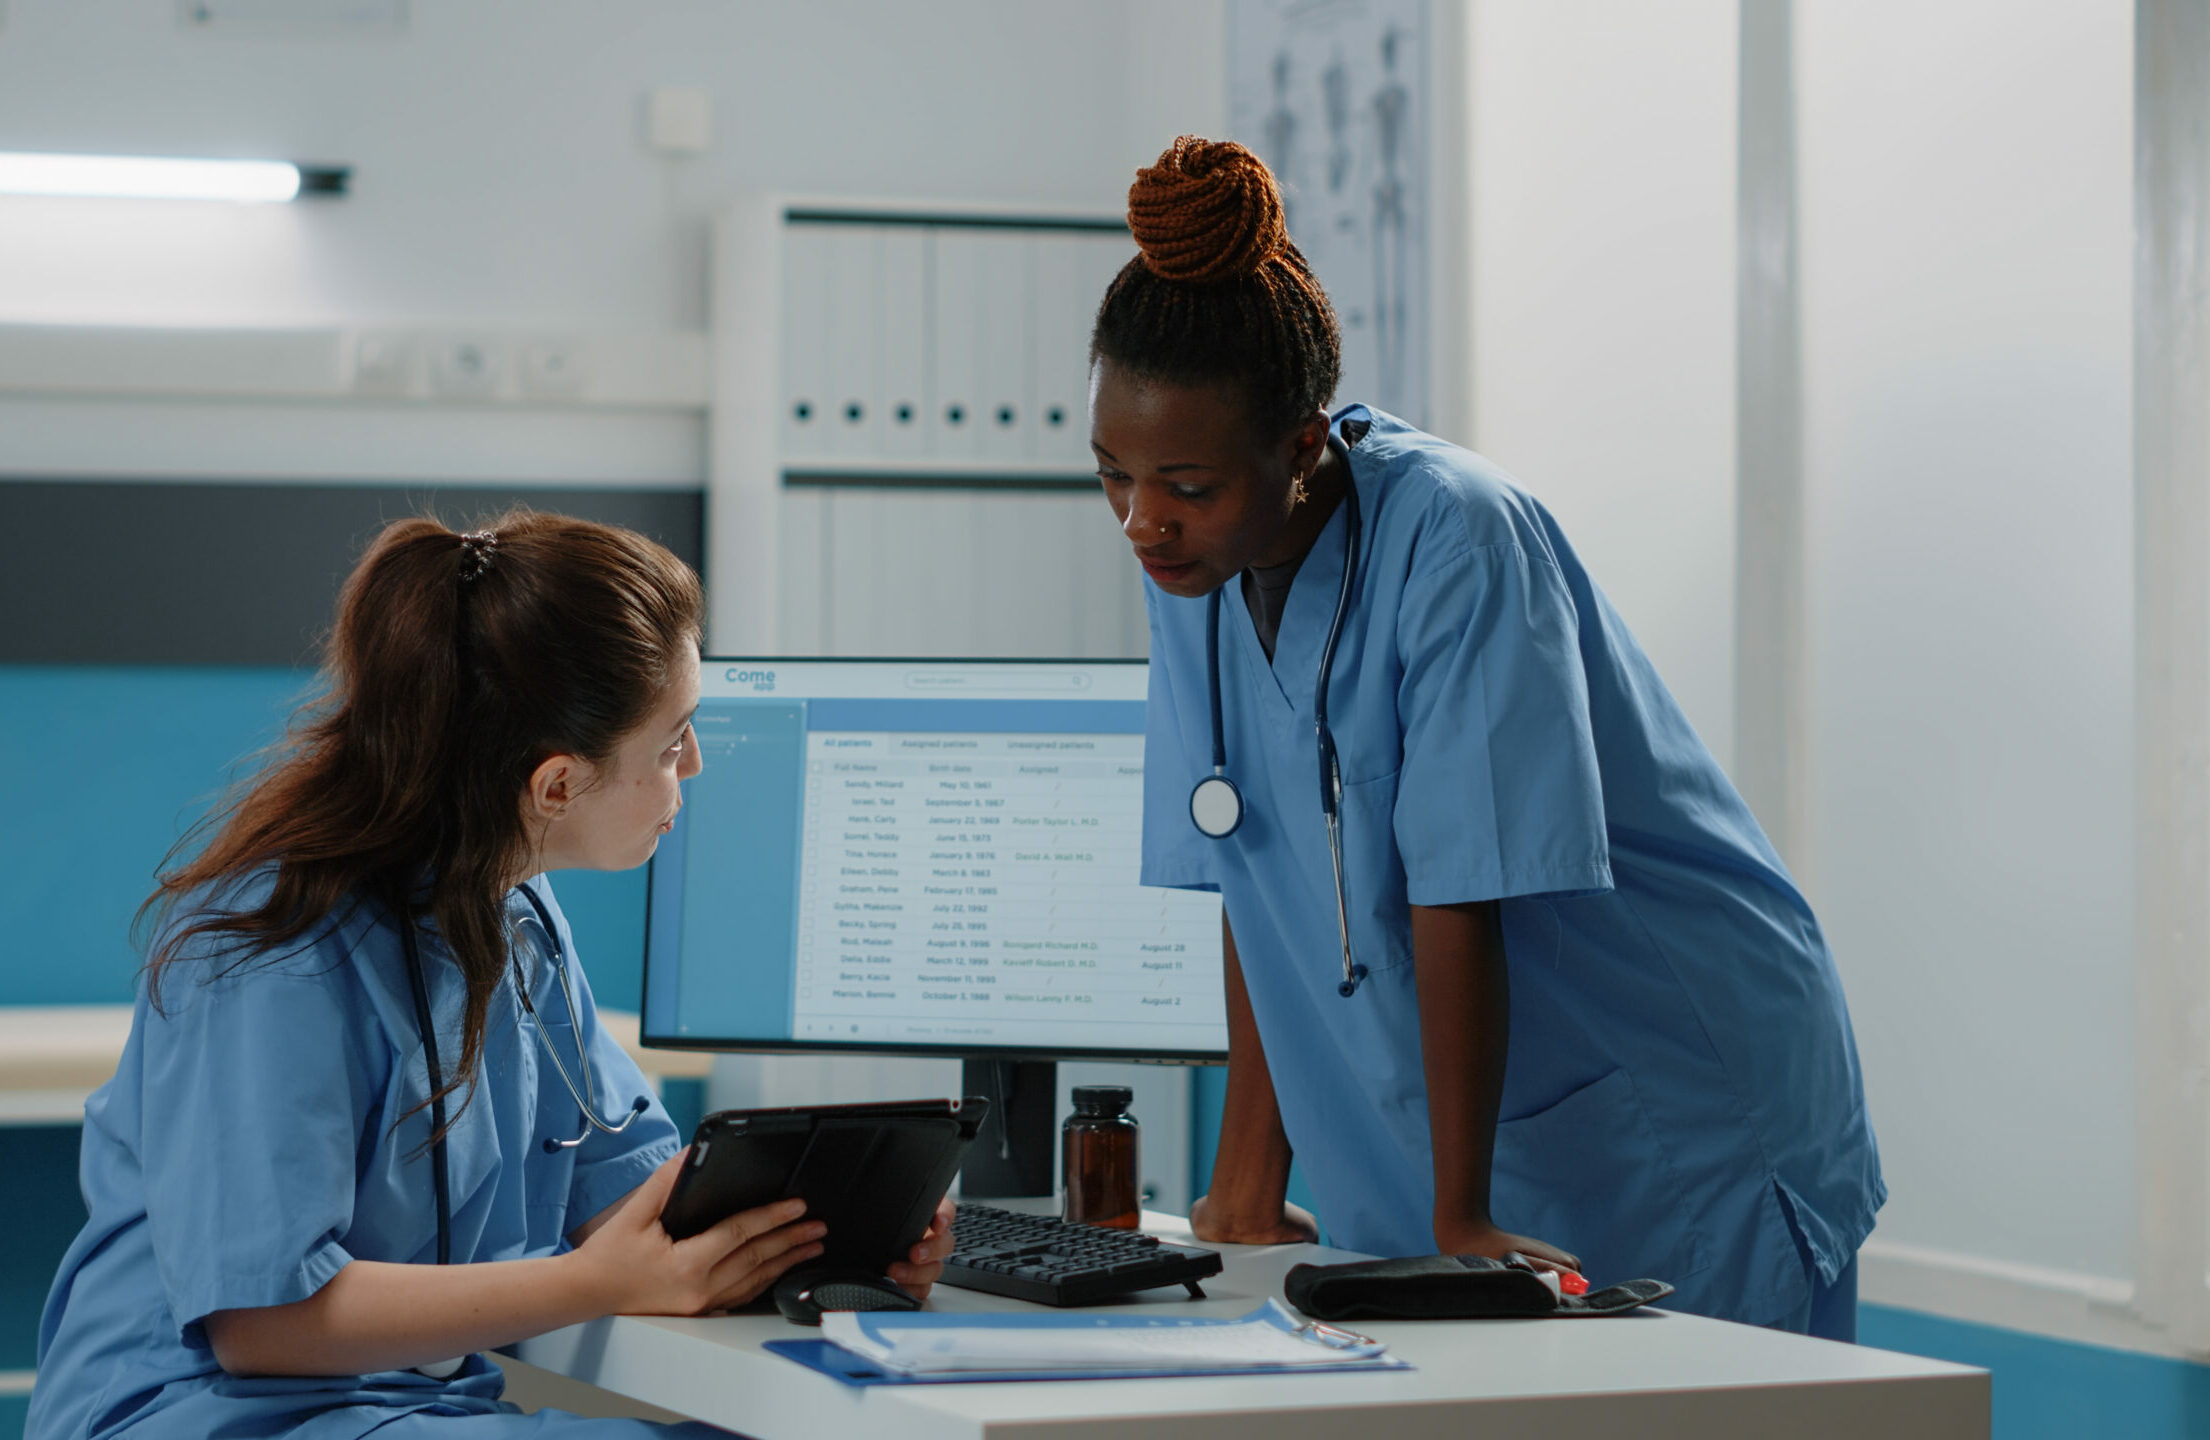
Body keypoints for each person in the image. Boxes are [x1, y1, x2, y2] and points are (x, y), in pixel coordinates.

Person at [1093, 137, 1882, 1338]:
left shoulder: (1458, 539)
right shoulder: (1193, 554)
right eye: (1113, 475)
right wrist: (1246, 1178)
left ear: (1300, 448)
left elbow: (1464, 886)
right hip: (1457, 1114)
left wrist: (1459, 1215)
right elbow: (1249, 868)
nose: (1142, 521)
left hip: (1666, 1083)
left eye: (1183, 486)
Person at [28, 513, 955, 1438]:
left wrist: (830, 1241)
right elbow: (260, 1322)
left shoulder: (518, 919)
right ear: (555, 786)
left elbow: (628, 1206)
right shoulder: (272, 954)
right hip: (205, 1415)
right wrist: (591, 1284)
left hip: (407, 1404)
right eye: (674, 742)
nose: (696, 766)